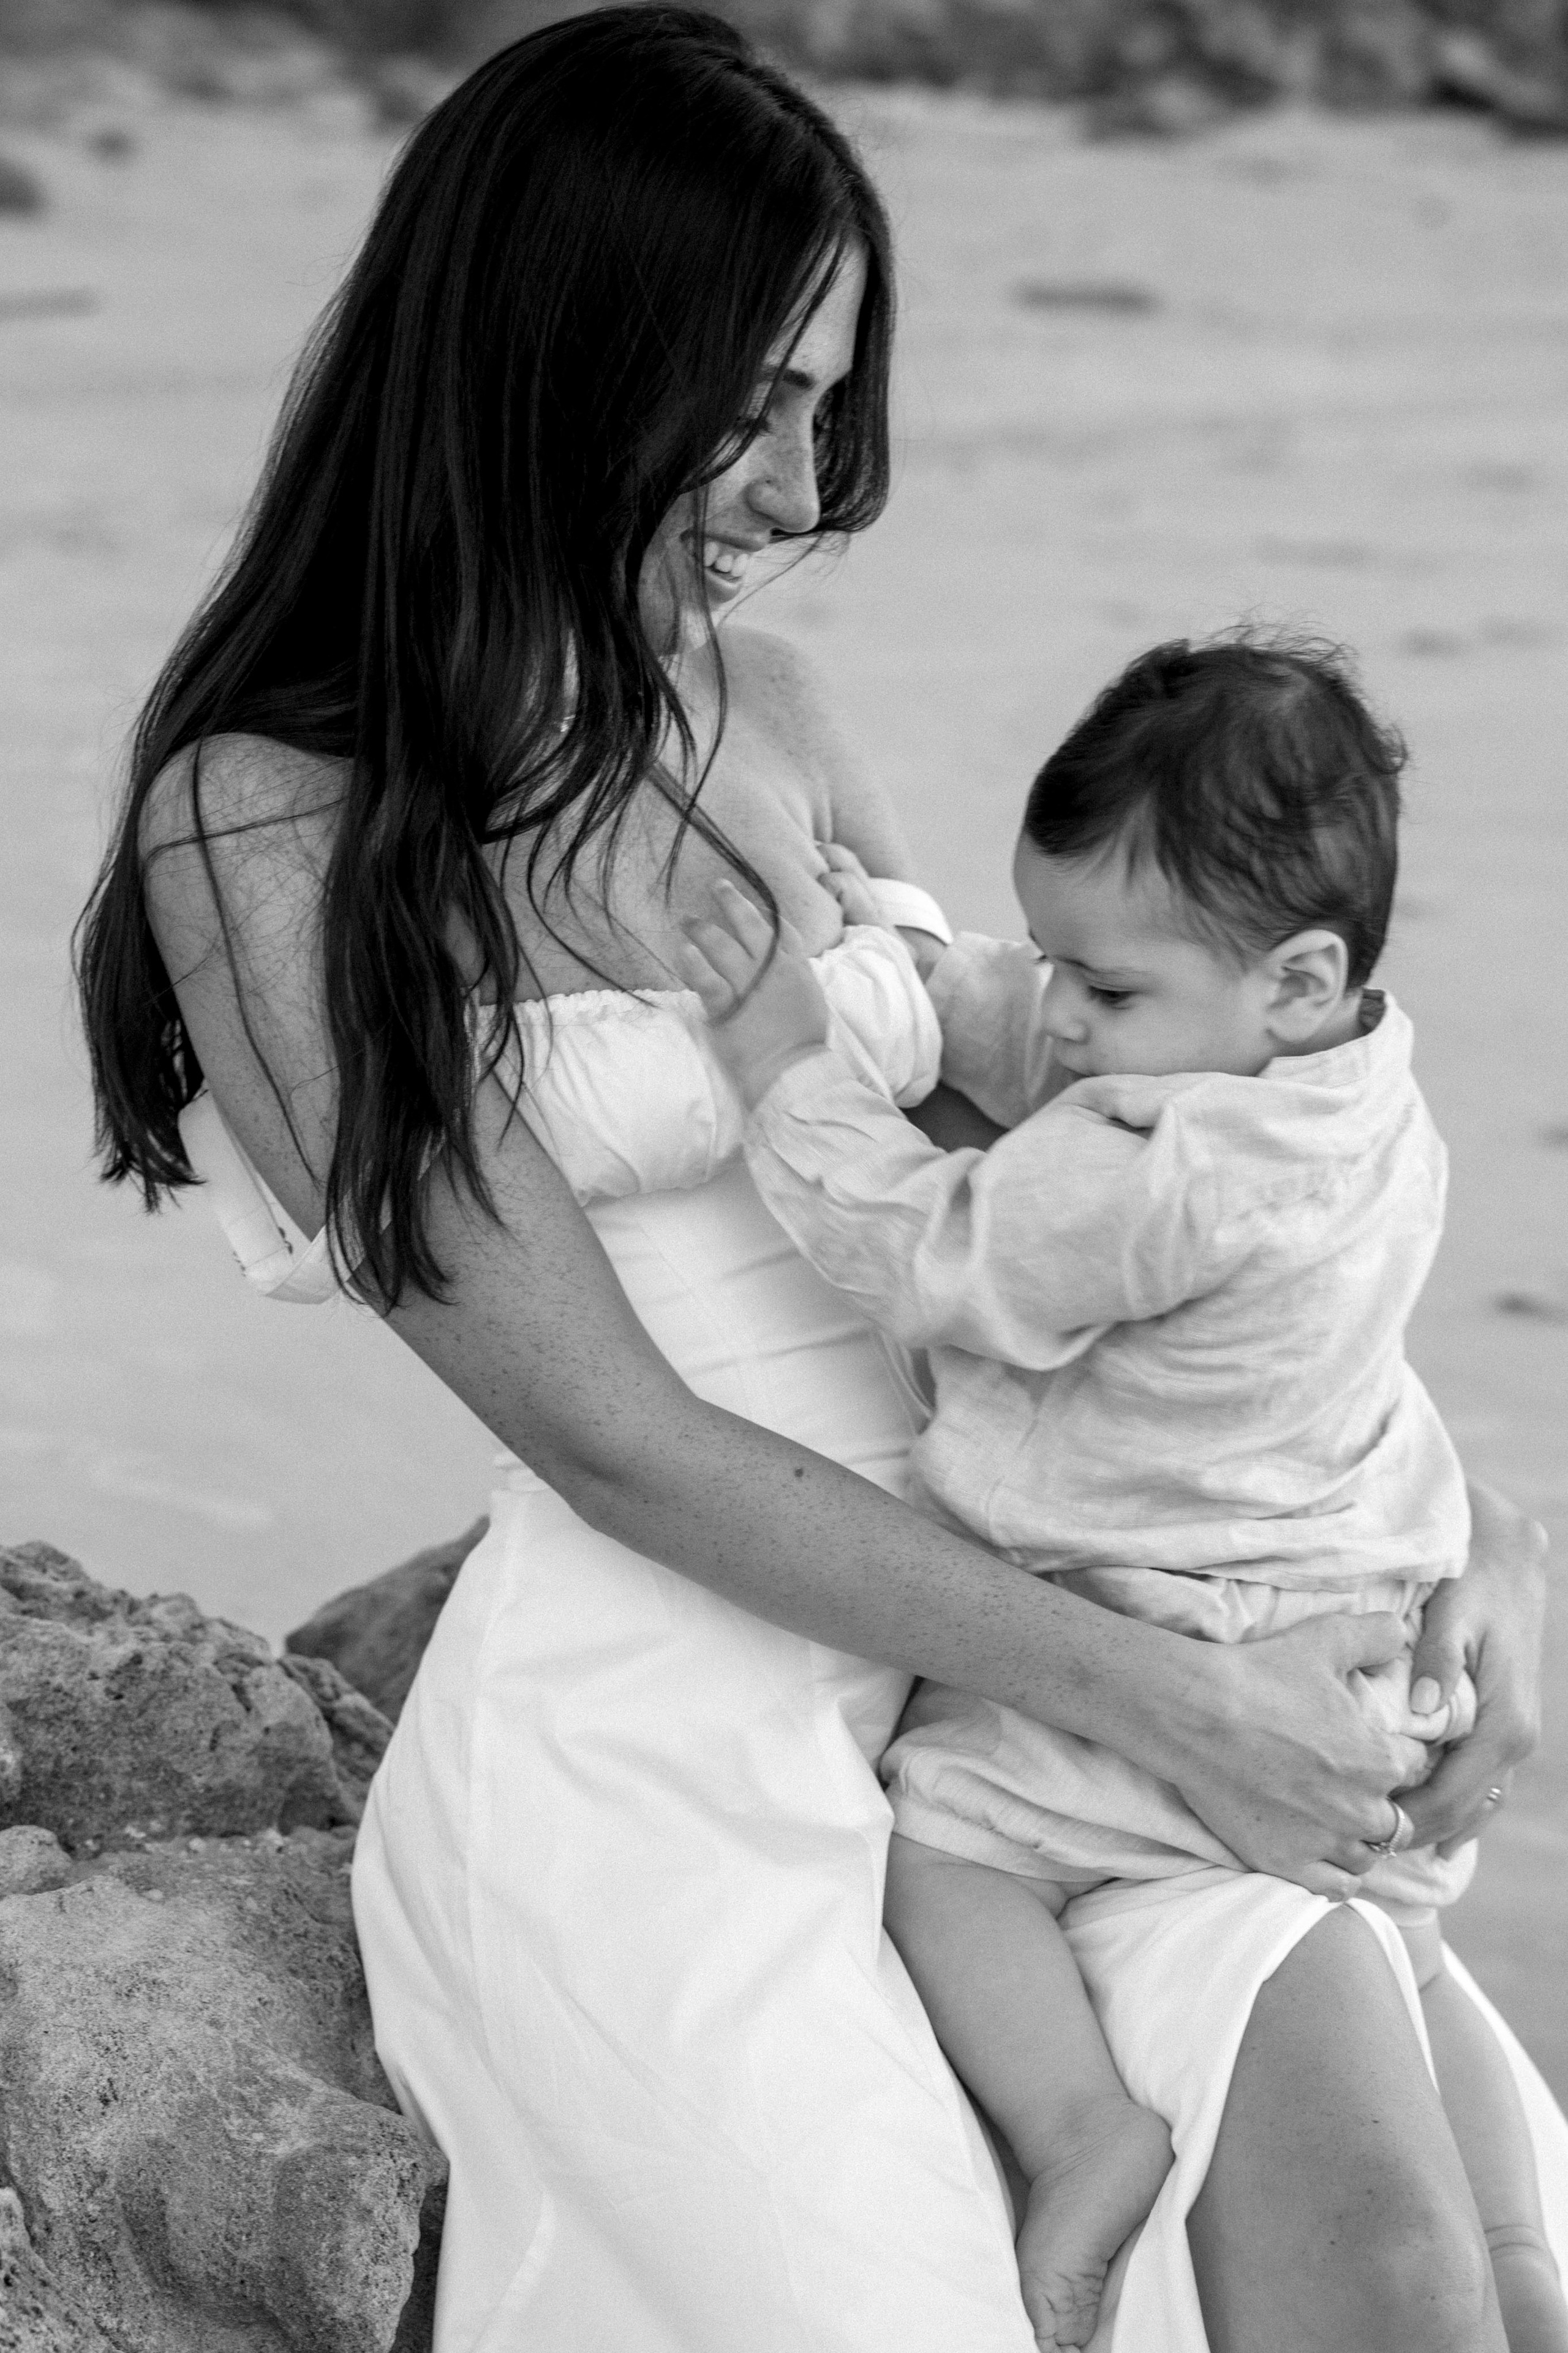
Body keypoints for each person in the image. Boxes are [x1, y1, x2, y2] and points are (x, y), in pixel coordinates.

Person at [72, 11, 1558, 2350]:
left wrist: (1463, 1550)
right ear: (557, 358)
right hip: (696, 1719)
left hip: (1058, 1635)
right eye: (748, 404)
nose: (799, 483)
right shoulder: (264, 827)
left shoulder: (769, 714)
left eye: (828, 407)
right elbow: (606, 1430)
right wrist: (1172, 1700)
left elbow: (1126, 1192)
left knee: (1416, 2275)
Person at [676, 630, 1568, 2353]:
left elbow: (935, 1254)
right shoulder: (1348, 1084)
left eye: (1109, 988)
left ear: (1295, 981)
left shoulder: (1152, 1174)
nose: (1066, 1018)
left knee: (945, 1844)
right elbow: (1051, 1022)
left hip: (1169, 1639)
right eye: (1058, 966)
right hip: (1364, 1634)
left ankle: (1084, 2133)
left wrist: (795, 1056)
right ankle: (1526, 2248)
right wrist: (934, 976)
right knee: (1408, 1944)